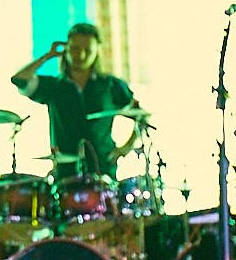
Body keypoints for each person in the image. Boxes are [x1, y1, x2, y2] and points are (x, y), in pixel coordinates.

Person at [10, 22, 141, 179]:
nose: (81, 55)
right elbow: (19, 80)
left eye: (88, 50)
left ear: (97, 51)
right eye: (75, 49)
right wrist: (47, 56)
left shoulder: (111, 85)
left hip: (104, 174)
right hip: (66, 175)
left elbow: (141, 116)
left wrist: (125, 148)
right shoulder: (53, 86)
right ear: (66, 49)